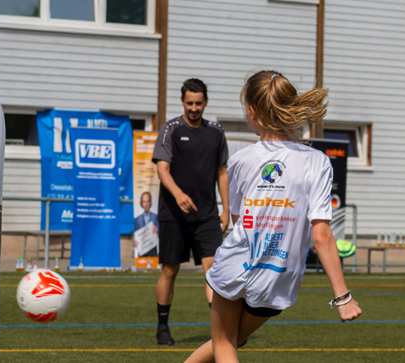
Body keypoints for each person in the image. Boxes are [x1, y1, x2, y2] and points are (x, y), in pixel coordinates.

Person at [184, 70, 362, 363]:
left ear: (252, 112)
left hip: (236, 263)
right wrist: (342, 298)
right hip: (278, 274)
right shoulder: (317, 162)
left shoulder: (241, 160)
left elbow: (243, 219)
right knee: (232, 339)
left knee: (225, 343)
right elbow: (322, 235)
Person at [152, 78, 230, 345]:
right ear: (182, 102)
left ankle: (221, 332)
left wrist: (226, 210)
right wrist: (178, 194)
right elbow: (162, 168)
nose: (194, 108)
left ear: (205, 102)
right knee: (170, 270)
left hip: (207, 216)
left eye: (198, 103)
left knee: (214, 271)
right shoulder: (170, 129)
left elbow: (222, 173)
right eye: (189, 103)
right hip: (173, 215)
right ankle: (162, 327)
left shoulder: (217, 132)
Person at [134, 191, 159, 256]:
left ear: (150, 202)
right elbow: (136, 235)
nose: (146, 204)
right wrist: (135, 241)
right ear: (141, 203)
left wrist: (157, 231)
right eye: (144, 201)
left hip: (153, 252)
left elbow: (160, 235)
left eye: (147, 201)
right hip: (142, 251)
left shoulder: (156, 217)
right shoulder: (137, 219)